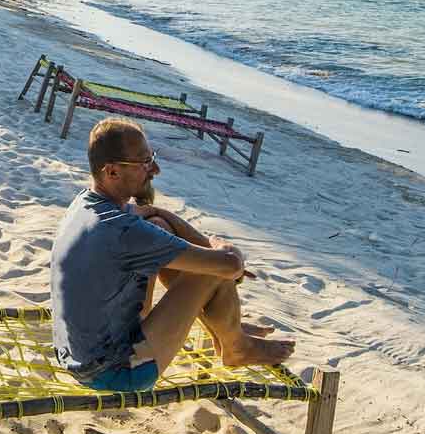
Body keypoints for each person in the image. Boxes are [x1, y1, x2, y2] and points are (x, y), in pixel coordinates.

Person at [51, 118, 294, 392]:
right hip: (114, 372)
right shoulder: (124, 232)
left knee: (160, 226)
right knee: (210, 271)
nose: (155, 169)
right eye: (144, 163)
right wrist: (220, 245)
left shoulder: (87, 202)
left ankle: (227, 328)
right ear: (112, 172)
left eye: (151, 157)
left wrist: (174, 223)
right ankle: (235, 345)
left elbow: (151, 215)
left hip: (78, 353)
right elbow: (230, 265)